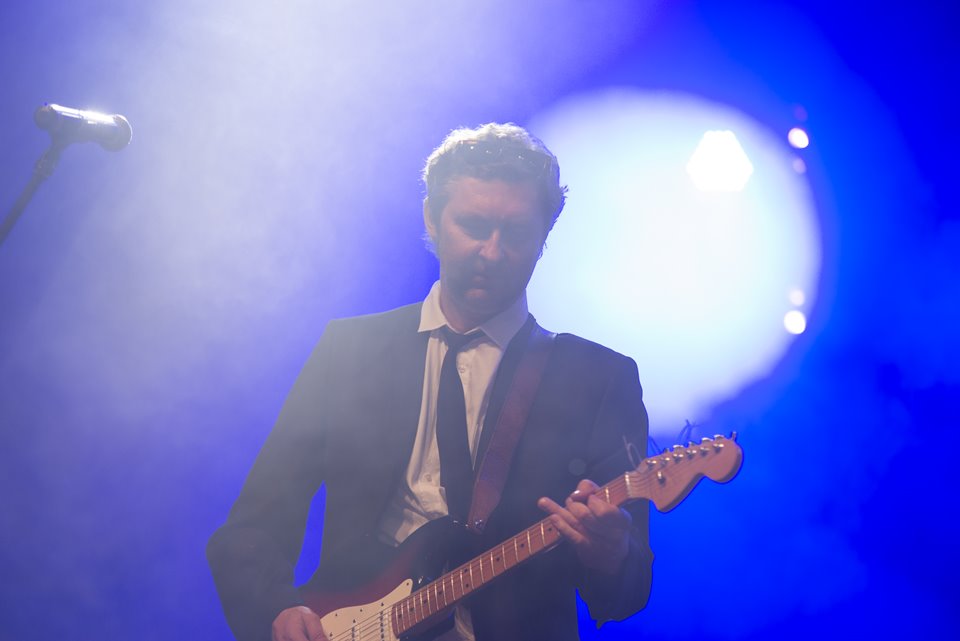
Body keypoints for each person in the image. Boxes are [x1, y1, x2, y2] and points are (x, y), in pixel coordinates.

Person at [207, 123, 653, 641]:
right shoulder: (349, 350)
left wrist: (610, 553)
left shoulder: (599, 379)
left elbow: (628, 592)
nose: (492, 252)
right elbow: (254, 524)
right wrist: (278, 610)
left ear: (544, 238)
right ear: (432, 219)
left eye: (515, 233)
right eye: (473, 225)